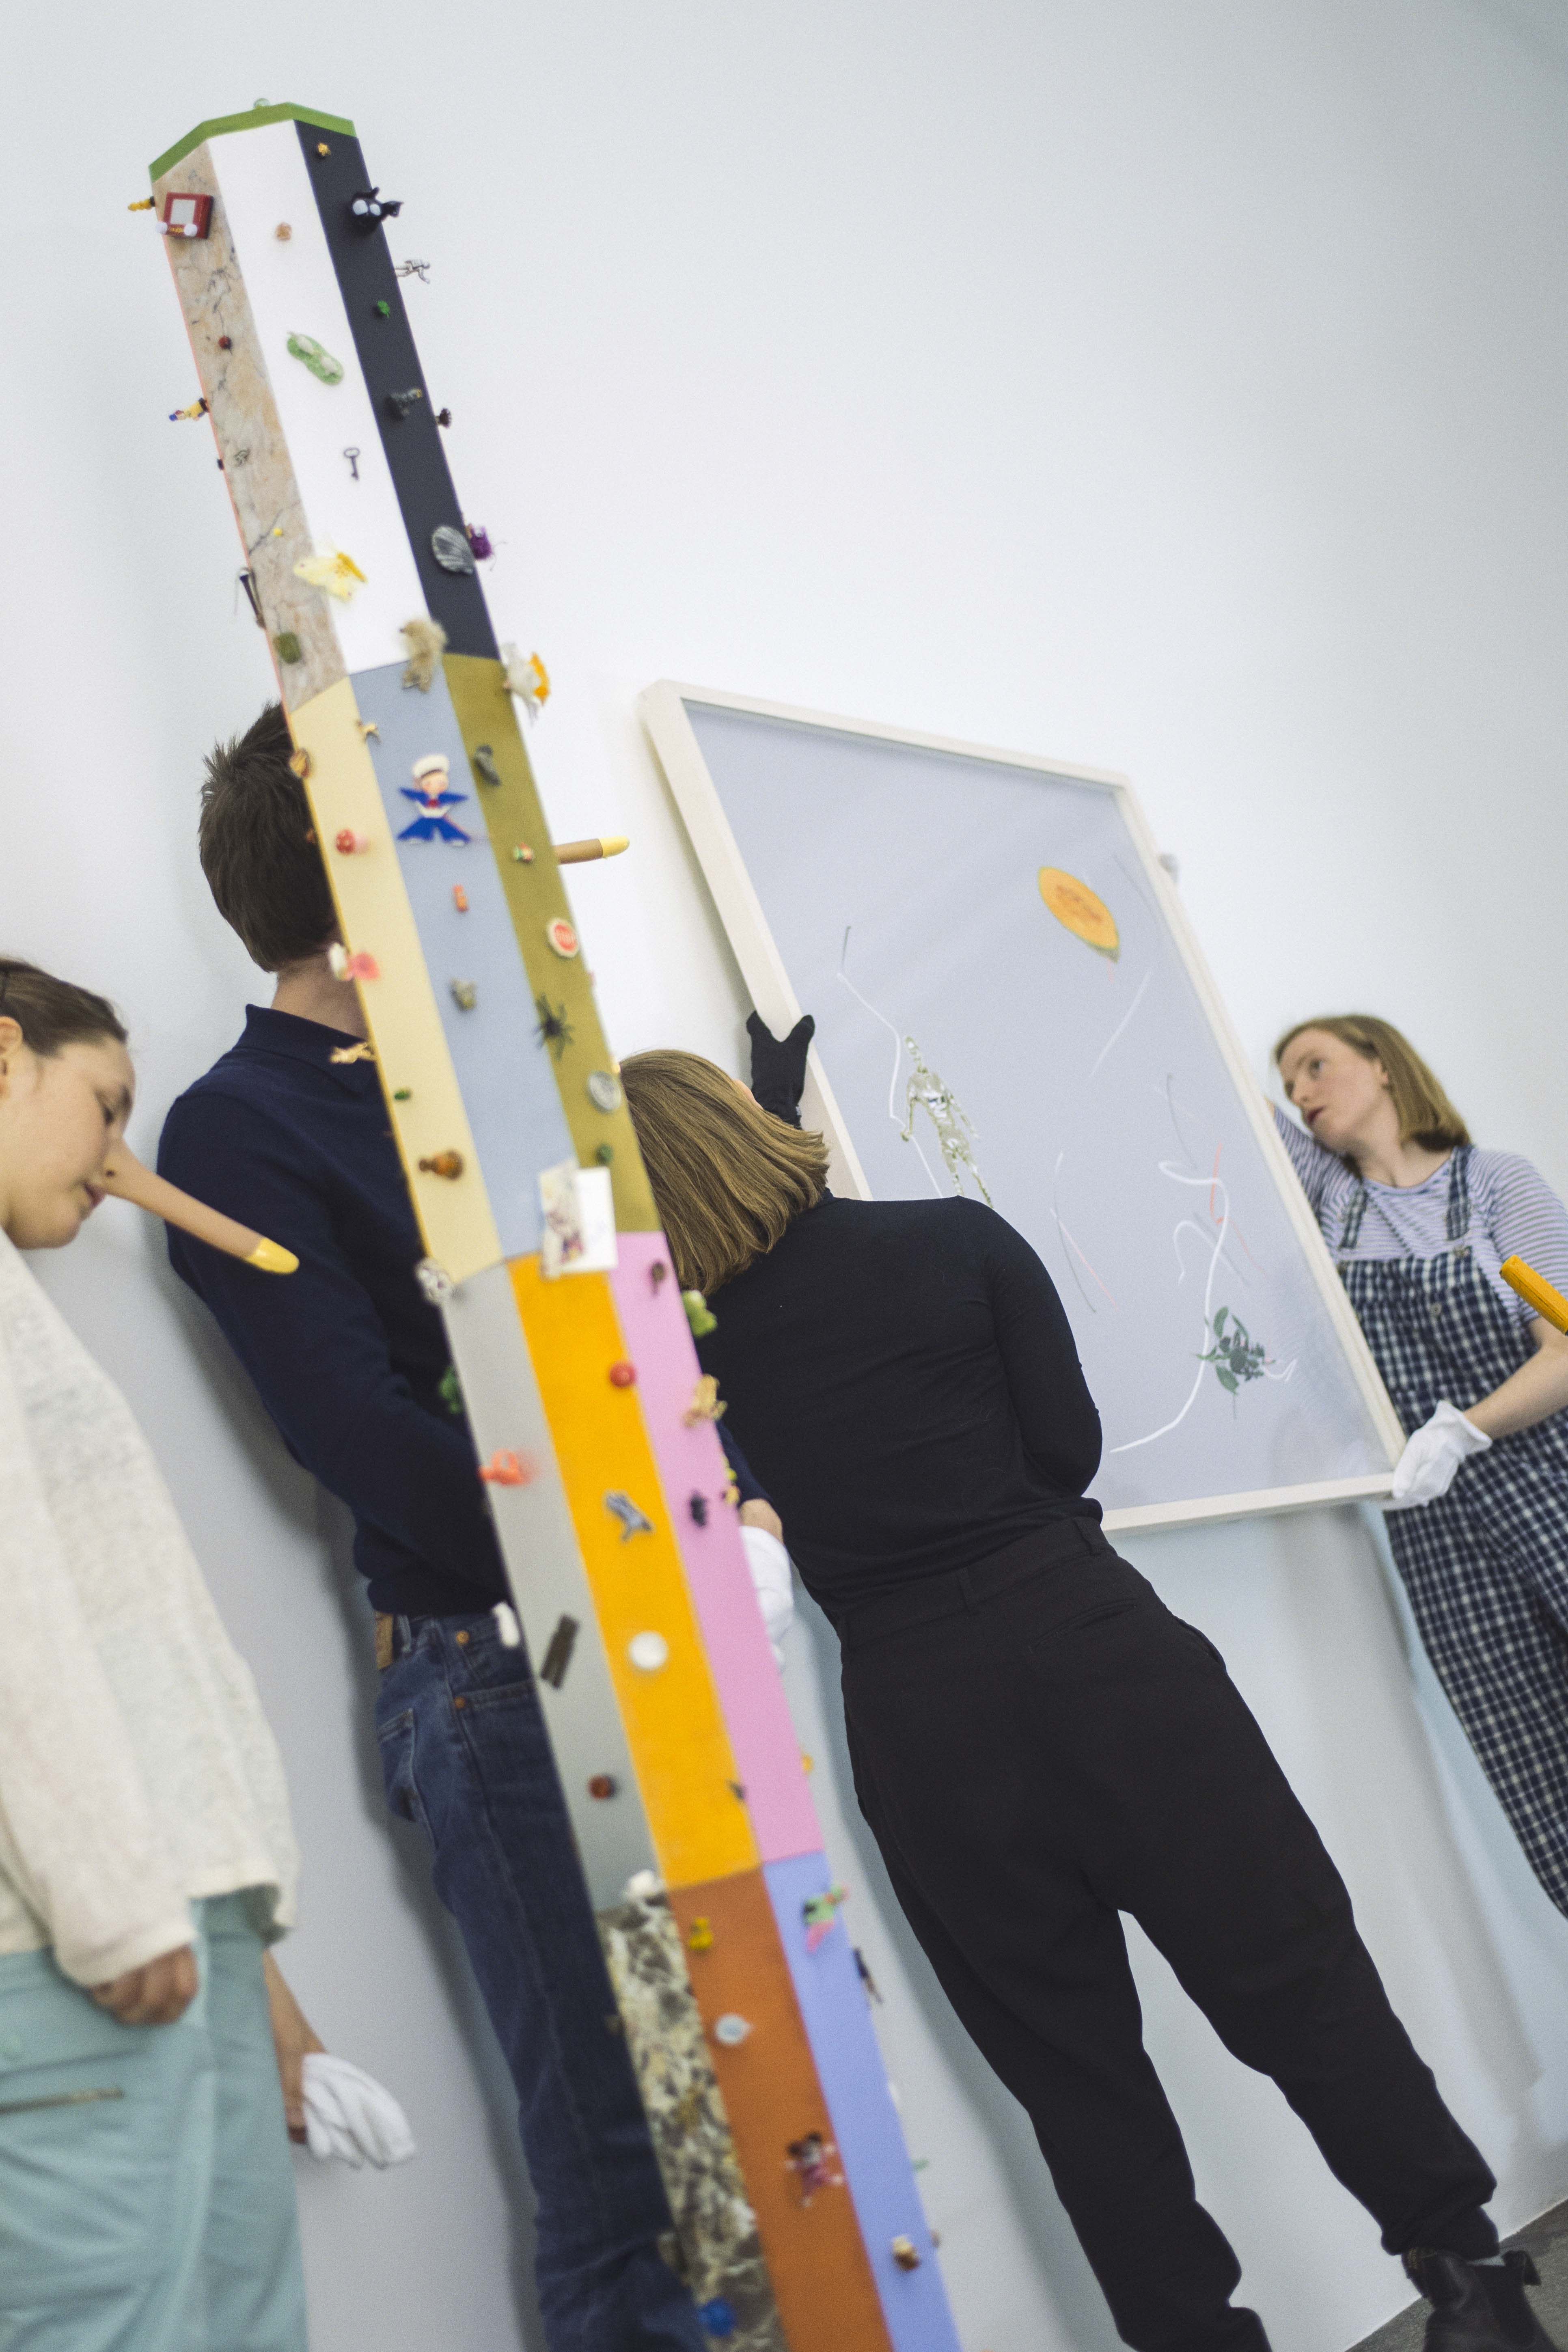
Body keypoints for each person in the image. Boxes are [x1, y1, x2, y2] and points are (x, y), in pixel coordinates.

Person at [619, 1042, 1558, 2352]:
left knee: (1074, 2078)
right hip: (1095, 1646)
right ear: (750, 1122)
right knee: (1300, 1977)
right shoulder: (954, 1239)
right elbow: (1064, 1446)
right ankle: (1469, 2285)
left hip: (916, 1715)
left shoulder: (682, 1369)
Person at [157, 703, 777, 2352]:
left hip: (653, 1615)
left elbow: (631, 1331)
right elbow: (357, 1428)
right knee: (634, 2180)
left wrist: (722, 1498)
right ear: (354, 877)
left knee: (758, 2136)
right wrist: (621, 1533)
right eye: (430, 843)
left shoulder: (491, 1084)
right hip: (502, 1676)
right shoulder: (236, 1127)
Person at [0, 956, 308, 2352]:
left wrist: (244, 1946)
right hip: (79, 1940)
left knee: (242, 2320)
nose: (119, 1164)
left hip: (173, 1910)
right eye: (106, 1107)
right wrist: (116, 1905)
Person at [1273, 1015, 1568, 1918]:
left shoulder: (1497, 1185)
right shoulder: (1335, 1202)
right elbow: (1218, 1092)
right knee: (1538, 1767)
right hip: (1440, 1538)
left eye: (1316, 1066)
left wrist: (1463, 1431)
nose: (1302, 1093)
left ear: (1382, 1064)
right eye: (1289, 1085)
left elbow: (1565, 1350)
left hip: (1550, 1484)